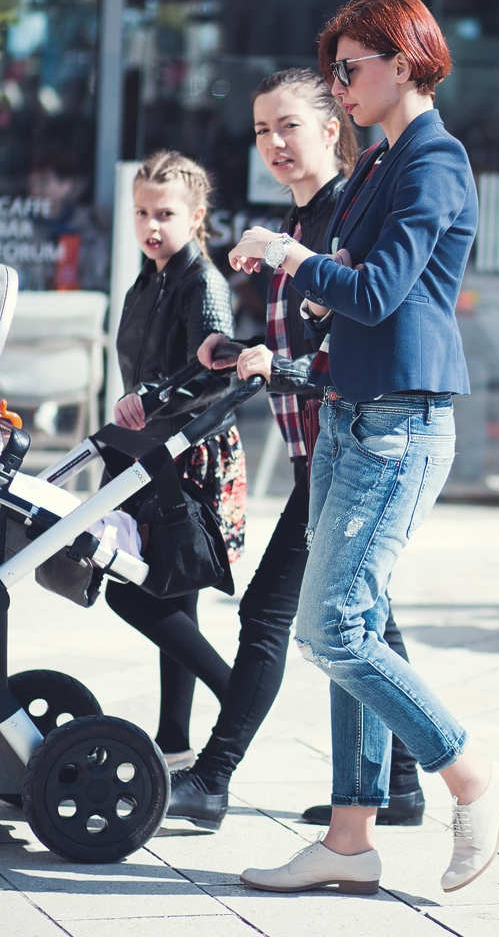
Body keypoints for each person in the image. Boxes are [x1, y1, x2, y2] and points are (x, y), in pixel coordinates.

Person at [224, 0, 499, 896]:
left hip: (401, 421)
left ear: (402, 62)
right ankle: (348, 840)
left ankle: (471, 773)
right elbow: (348, 295)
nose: (340, 84)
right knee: (343, 627)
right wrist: (310, 293)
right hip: (350, 412)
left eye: (349, 68)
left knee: (332, 628)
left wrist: (290, 257)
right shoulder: (382, 163)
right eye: (335, 69)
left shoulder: (435, 159)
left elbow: (375, 291)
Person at [169, 68, 426, 831]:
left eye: (288, 126)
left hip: (346, 449)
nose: (274, 142)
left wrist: (276, 365)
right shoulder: (302, 221)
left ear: (329, 129)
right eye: (261, 130)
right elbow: (306, 339)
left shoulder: (344, 219)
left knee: (269, 613)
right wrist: (236, 350)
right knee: (367, 618)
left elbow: (352, 343)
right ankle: (401, 785)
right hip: (319, 454)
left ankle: (212, 778)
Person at [106, 150, 246, 773]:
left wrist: (152, 399)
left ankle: (237, 694)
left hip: (189, 460)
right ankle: (173, 743)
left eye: (164, 213)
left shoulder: (201, 282)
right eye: (141, 212)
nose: (150, 225)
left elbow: (216, 372)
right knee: (174, 598)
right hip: (152, 458)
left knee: (138, 592)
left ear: (196, 216)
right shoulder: (146, 280)